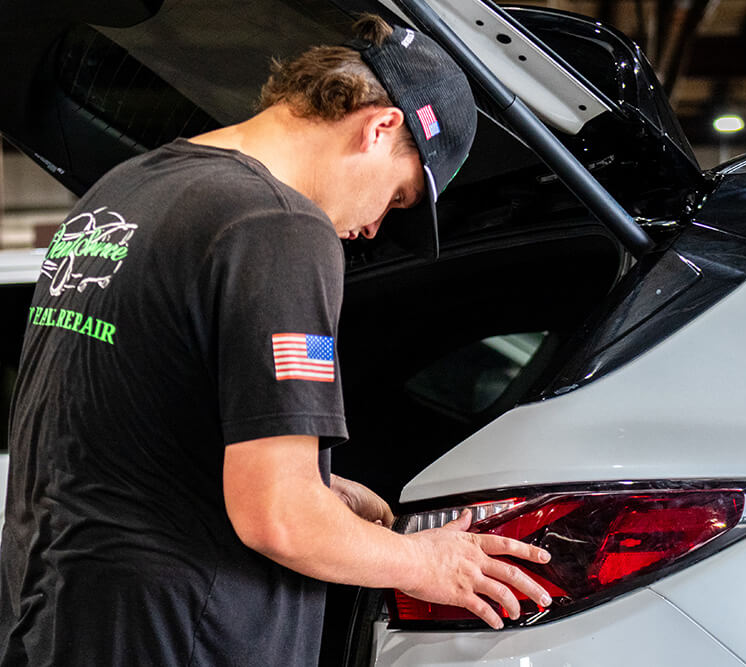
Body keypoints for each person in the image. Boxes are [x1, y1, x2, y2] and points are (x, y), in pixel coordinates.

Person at [0, 14, 552, 666]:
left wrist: (315, 481)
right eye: (398, 198)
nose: (375, 227)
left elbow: (109, 426)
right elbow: (280, 520)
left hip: (55, 613)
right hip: (179, 635)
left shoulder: (126, 189)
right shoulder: (278, 225)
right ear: (380, 128)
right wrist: (423, 561)